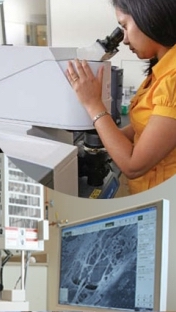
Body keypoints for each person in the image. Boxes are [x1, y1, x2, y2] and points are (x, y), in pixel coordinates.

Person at [66, 0, 176, 195]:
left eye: (124, 26)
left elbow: (133, 166)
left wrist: (93, 104)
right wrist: (104, 139)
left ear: (149, 17)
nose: (124, 40)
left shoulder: (173, 80)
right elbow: (144, 126)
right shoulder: (160, 72)